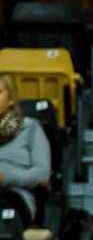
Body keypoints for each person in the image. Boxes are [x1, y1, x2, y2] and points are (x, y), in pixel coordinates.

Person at [0, 71, 52, 227]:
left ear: (11, 99)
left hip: (16, 195)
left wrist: (6, 177)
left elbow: (42, 174)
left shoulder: (30, 128)